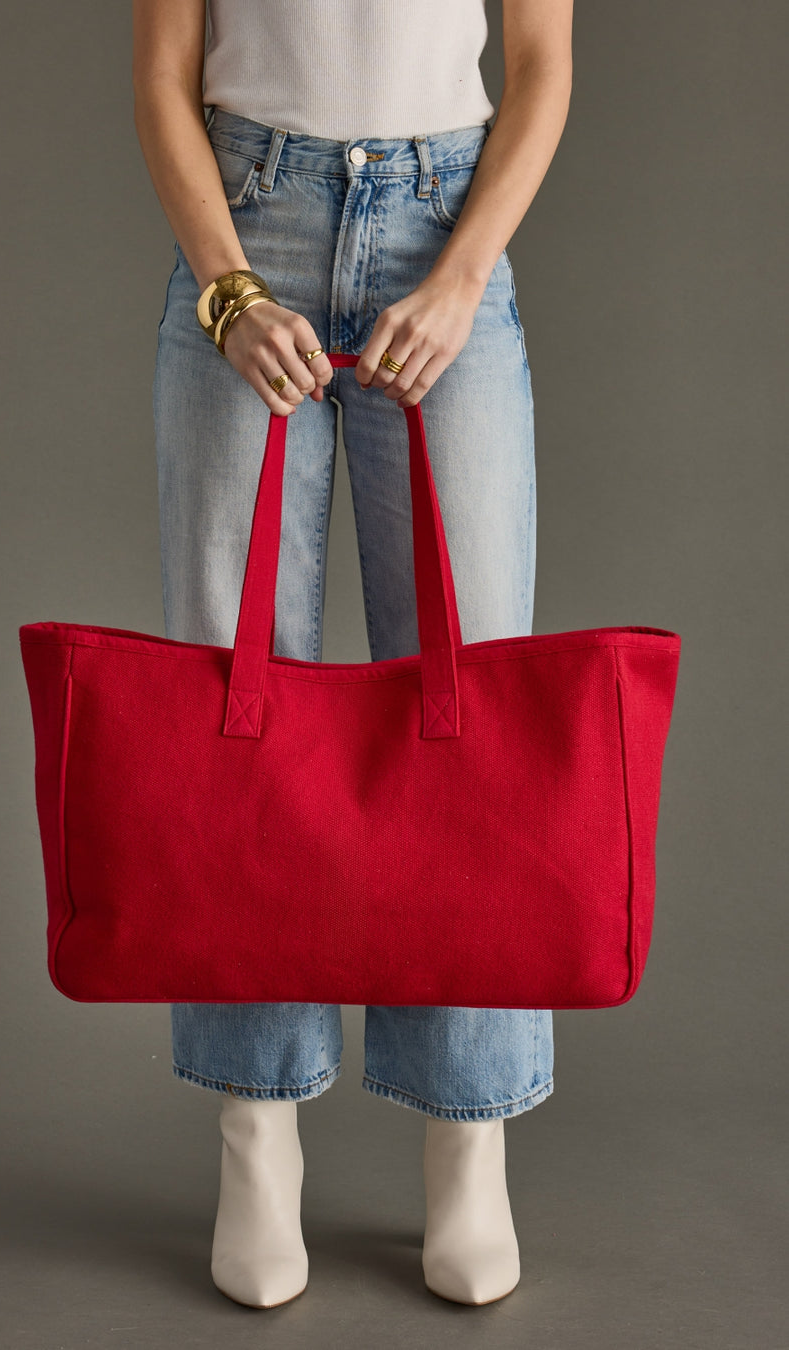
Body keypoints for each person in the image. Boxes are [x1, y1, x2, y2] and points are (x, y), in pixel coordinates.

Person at [132, 0, 573, 1311]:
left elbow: (543, 64)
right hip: (249, 212)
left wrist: (463, 274)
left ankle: (470, 1137)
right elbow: (161, 72)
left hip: (448, 222)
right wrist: (226, 287)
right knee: (233, 700)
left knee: (473, 695)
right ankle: (254, 1138)